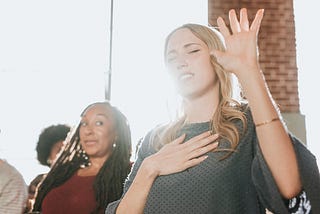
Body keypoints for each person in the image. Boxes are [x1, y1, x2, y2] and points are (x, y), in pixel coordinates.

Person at [106, 8, 320, 214]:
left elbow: (290, 187)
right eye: (172, 57)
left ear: (217, 58)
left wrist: (249, 71)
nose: (181, 61)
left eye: (193, 50)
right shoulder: (155, 139)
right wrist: (149, 168)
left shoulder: (246, 125)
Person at [32, 101, 132, 214]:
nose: (88, 131)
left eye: (99, 123)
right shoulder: (63, 172)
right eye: (84, 123)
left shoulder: (130, 173)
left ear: (117, 133)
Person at [25, 124, 71, 213]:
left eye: (69, 150)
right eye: (59, 151)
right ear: (48, 157)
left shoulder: (81, 179)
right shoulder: (38, 183)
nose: (65, 156)